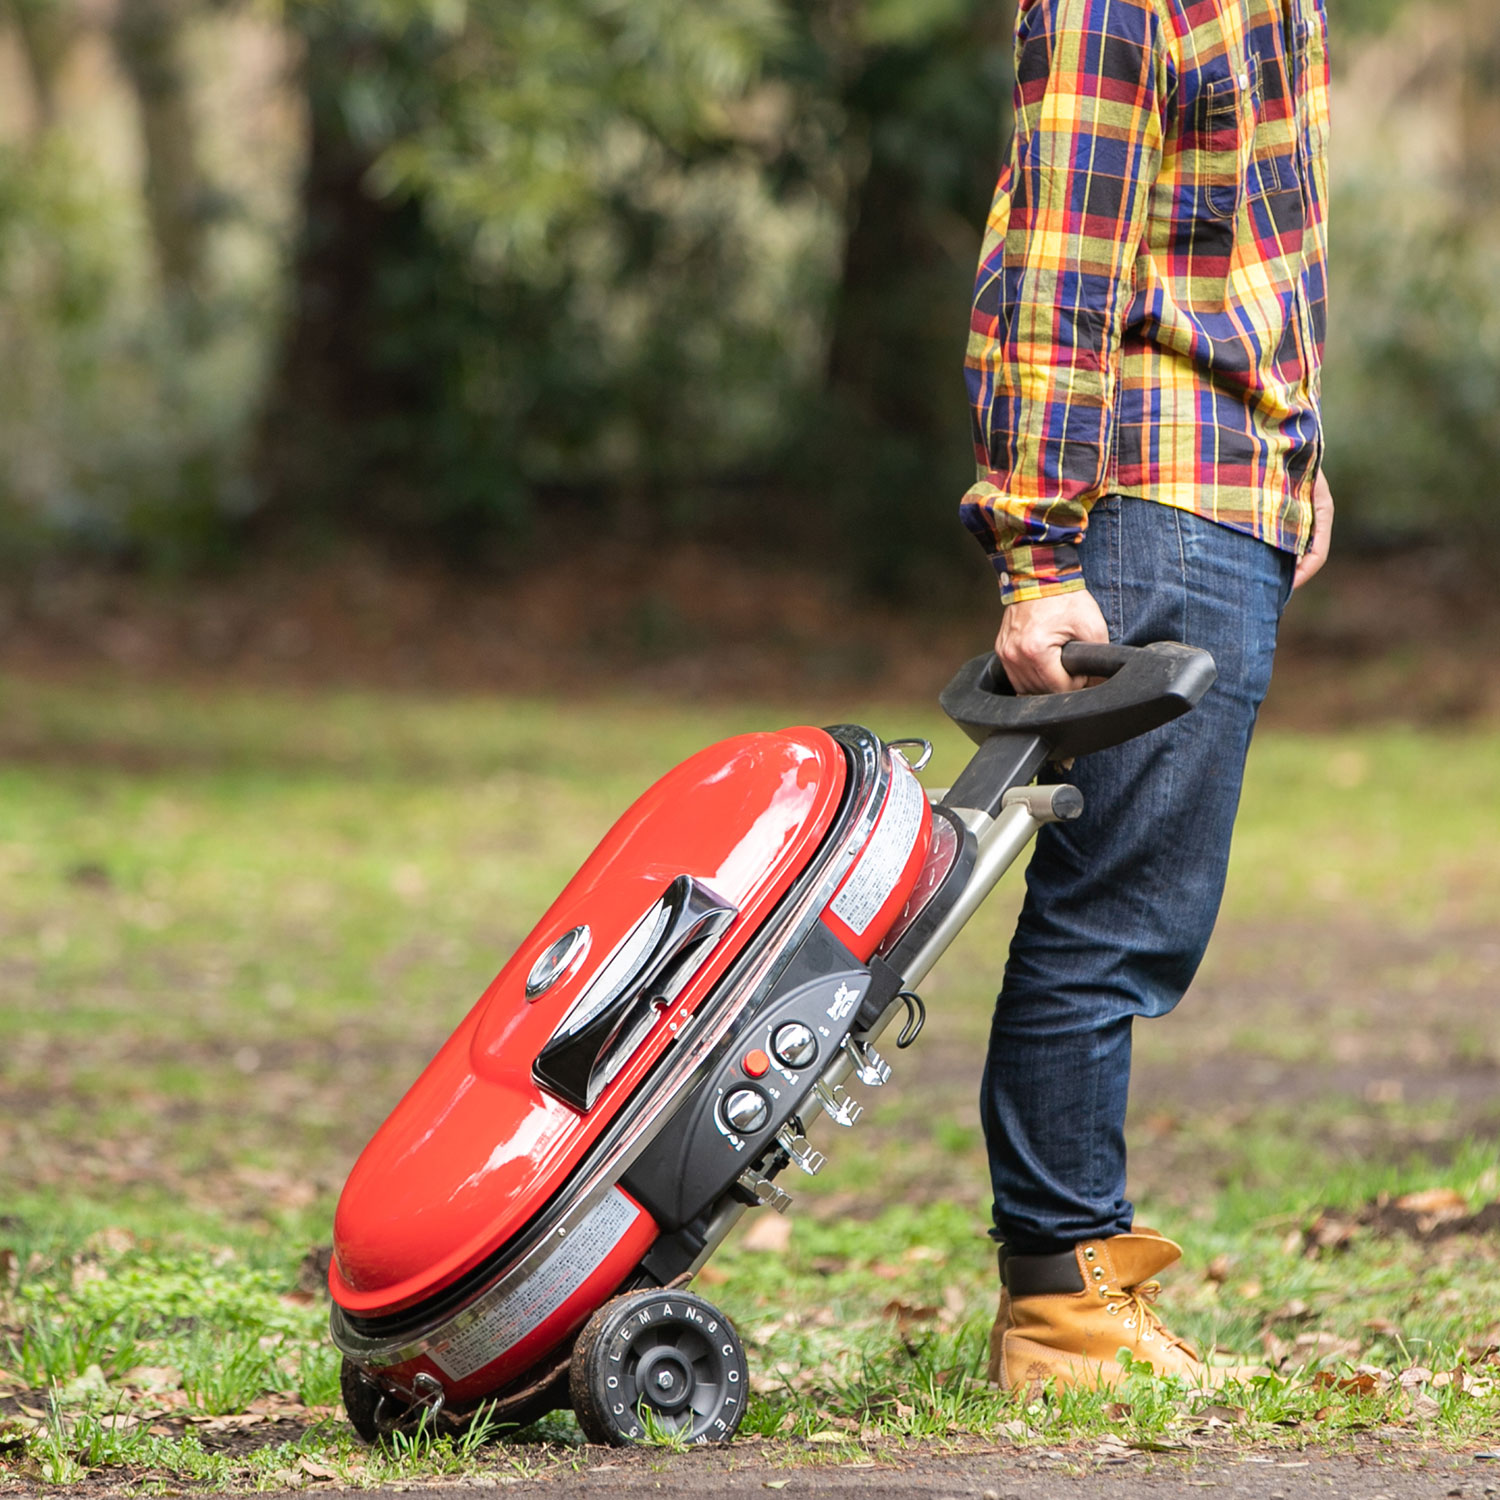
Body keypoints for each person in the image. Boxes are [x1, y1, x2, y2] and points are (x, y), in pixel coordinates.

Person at [960, 0, 1332, 1390]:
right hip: (1149, 502)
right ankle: (1061, 1311)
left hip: (1226, 488)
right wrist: (1037, 547)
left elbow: (1253, 238)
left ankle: (1068, 1291)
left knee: (1136, 919)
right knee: (1109, 921)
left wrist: (1296, 460)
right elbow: (1061, 259)